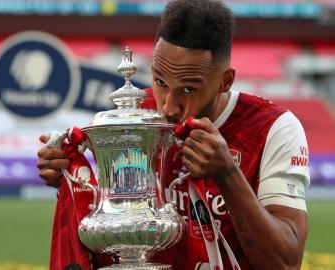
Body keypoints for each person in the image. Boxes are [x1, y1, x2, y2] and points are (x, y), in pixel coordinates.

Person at [37, 0, 309, 269]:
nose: (167, 106)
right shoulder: (135, 119)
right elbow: (106, 206)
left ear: (225, 81)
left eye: (188, 89)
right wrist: (71, 175)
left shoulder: (272, 128)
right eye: (160, 82)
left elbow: (285, 262)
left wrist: (228, 175)